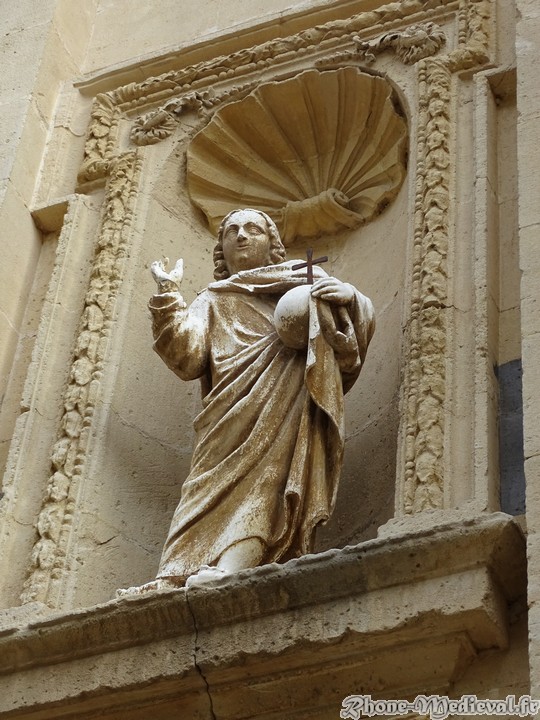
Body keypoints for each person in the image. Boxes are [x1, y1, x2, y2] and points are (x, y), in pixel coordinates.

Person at [147, 208, 375, 587]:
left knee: (268, 479)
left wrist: (350, 298)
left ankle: (232, 568)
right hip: (227, 412)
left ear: (272, 244)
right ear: (221, 249)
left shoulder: (304, 278)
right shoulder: (213, 299)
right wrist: (169, 295)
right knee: (205, 486)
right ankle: (176, 573)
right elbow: (187, 356)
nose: (241, 236)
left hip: (284, 398)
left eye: (253, 229)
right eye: (232, 231)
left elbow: (349, 334)